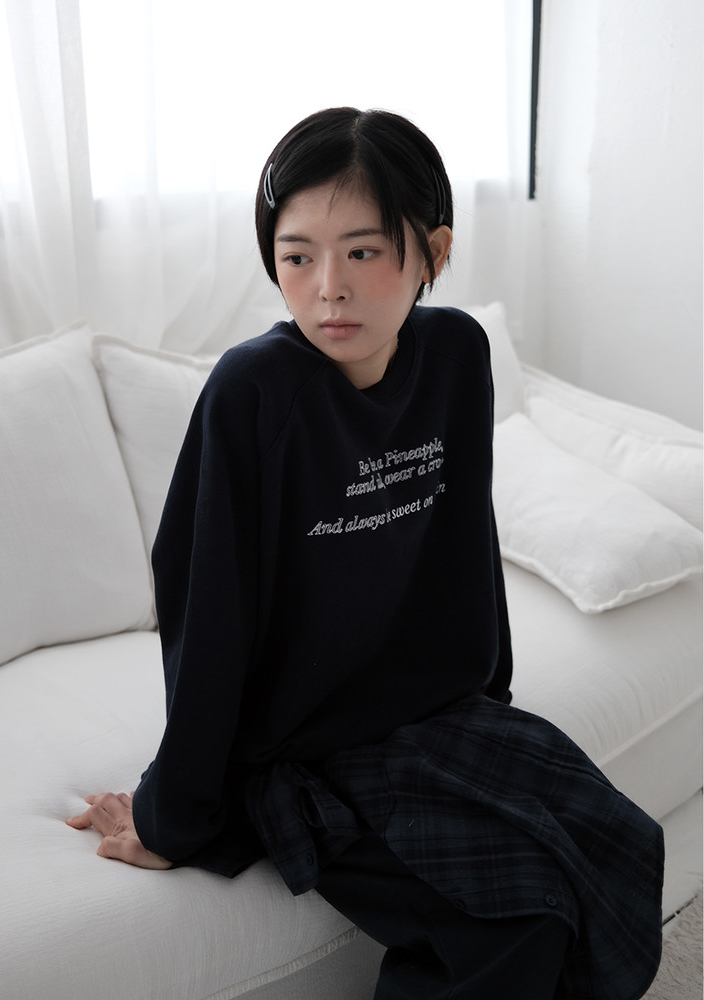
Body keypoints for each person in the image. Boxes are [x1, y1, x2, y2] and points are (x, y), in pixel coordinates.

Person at [68, 107, 664, 999]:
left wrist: (489, 709)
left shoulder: (455, 354)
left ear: (433, 252)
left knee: (619, 841)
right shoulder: (253, 392)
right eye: (297, 257)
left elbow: (465, 539)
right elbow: (209, 613)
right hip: (304, 751)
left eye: (363, 252)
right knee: (517, 921)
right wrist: (172, 815)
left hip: (433, 715)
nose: (328, 290)